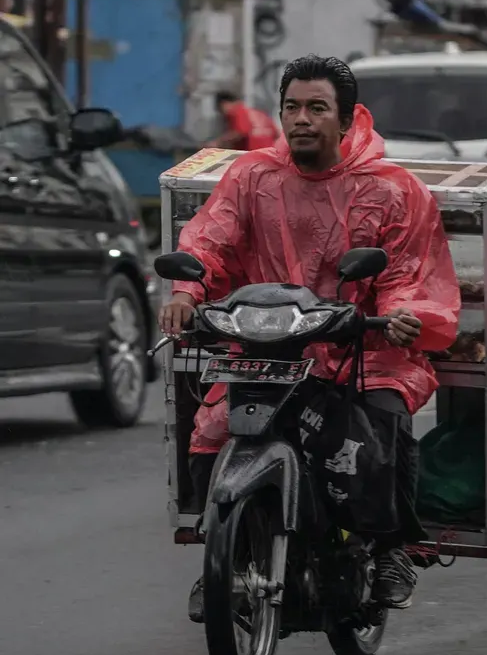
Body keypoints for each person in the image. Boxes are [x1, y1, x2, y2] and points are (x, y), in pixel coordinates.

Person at [159, 55, 460, 622]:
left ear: (346, 121)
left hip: (364, 349)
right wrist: (186, 292)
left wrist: (398, 316)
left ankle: (391, 547)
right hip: (269, 343)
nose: (301, 118)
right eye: (292, 107)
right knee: (211, 428)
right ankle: (223, 556)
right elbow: (211, 240)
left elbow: (406, 272)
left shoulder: (393, 190)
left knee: (381, 421)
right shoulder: (251, 176)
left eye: (316, 108)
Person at [206, 90, 280, 151]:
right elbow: (277, 134)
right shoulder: (258, 113)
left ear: (224, 104)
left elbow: (240, 132)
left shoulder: (236, 111)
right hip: (269, 153)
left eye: (220, 109)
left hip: (251, 155)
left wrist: (218, 143)